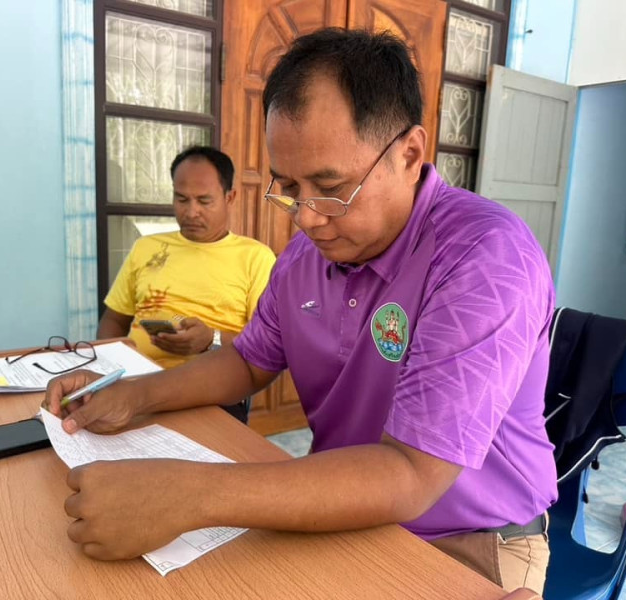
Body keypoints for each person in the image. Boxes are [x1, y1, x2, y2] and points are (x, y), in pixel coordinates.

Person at [47, 28, 557, 595]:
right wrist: (134, 395)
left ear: (409, 155)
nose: (307, 217)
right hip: (341, 510)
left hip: (467, 540)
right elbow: (248, 361)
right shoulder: (306, 256)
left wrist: (190, 495)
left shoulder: (484, 257)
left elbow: (412, 474)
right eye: (289, 186)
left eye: (331, 187)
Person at [96, 146, 276, 422]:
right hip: (133, 384)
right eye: (181, 199)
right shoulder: (147, 248)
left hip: (209, 394)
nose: (191, 212)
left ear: (230, 198)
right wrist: (108, 366)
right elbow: (114, 319)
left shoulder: (255, 258)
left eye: (204, 201)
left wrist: (211, 339)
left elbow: (266, 344)